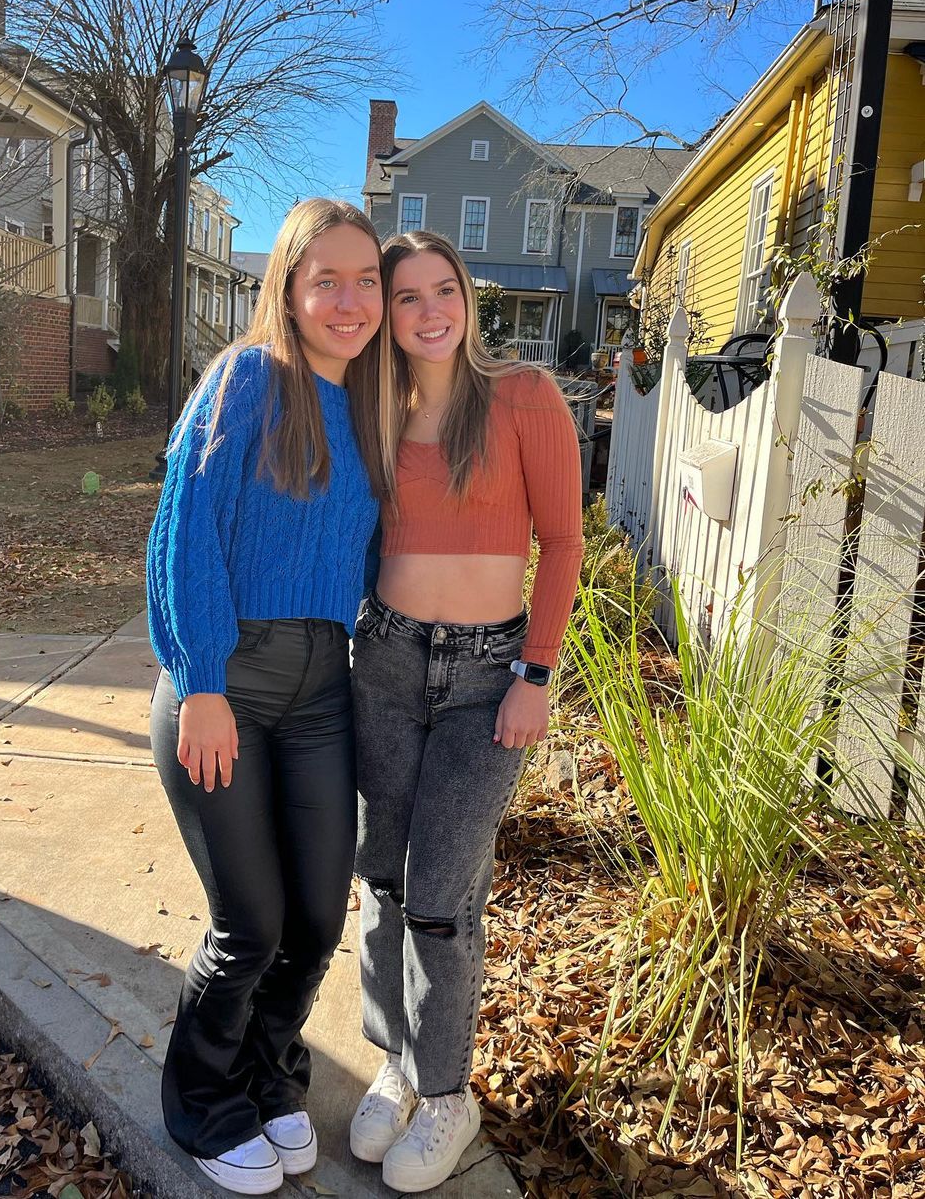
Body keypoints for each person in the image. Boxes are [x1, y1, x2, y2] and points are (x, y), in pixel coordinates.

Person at [147, 198, 387, 1196]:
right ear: (287, 289)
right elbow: (185, 528)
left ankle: (269, 1076)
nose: (350, 299)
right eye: (326, 279)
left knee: (317, 921)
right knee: (250, 923)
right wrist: (201, 679)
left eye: (366, 280)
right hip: (227, 685)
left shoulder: (371, 404)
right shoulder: (246, 378)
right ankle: (203, 1104)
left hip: (323, 689)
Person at [348, 230, 584, 1193]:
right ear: (389, 315)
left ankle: (446, 1091)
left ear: (468, 297)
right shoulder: (376, 410)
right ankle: (394, 1062)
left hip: (488, 678)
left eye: (443, 289)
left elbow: (563, 543)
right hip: (386, 661)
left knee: (441, 893)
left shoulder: (524, 396)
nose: (429, 311)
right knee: (383, 877)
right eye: (407, 297)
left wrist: (536, 672)